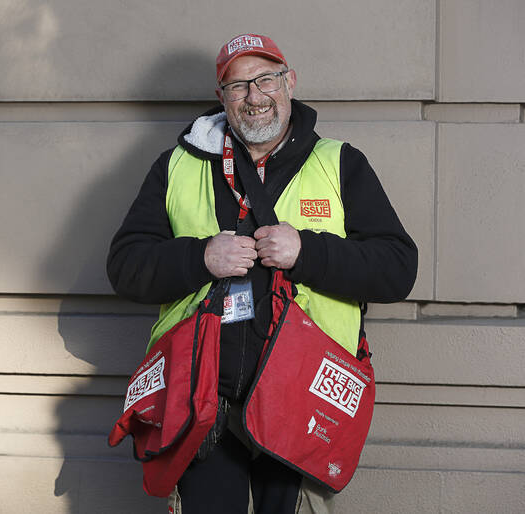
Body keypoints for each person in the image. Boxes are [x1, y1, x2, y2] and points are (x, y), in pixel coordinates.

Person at [106, 33, 417, 514]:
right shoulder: (176, 167)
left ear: (289, 83)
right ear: (222, 98)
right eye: (237, 85)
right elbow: (125, 267)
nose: (254, 97)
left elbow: (398, 268)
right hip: (203, 404)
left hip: (303, 402)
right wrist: (199, 258)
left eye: (266, 79)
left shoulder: (339, 163)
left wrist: (307, 251)